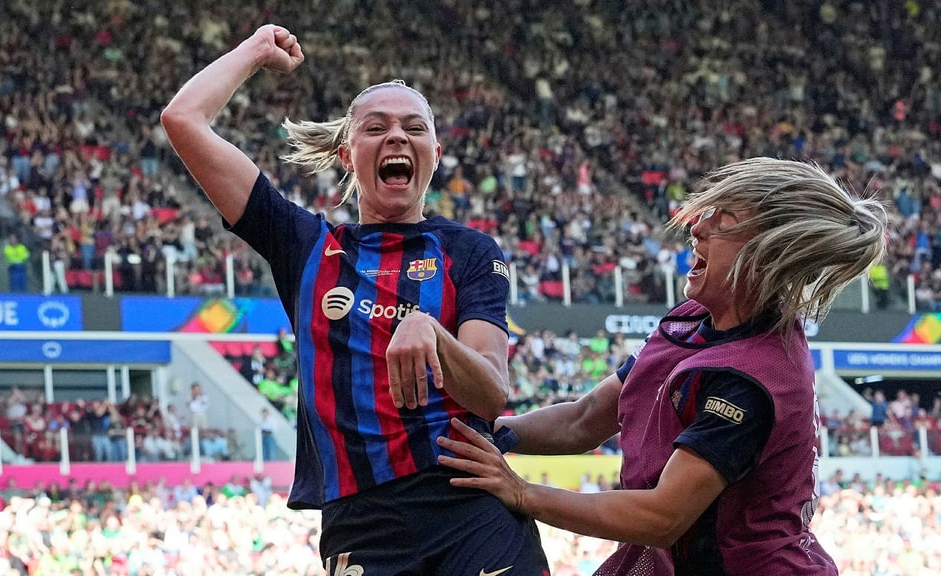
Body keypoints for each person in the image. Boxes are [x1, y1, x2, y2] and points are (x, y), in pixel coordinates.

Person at [161, 24, 548, 575]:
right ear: (347, 153)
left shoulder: (468, 251)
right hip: (363, 524)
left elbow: (490, 394)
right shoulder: (305, 247)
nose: (398, 137)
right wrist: (253, 50)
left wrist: (432, 333)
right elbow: (183, 119)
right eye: (377, 127)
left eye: (415, 127)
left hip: (470, 505)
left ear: (435, 153)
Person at [438, 157, 888, 575]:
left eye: (721, 221)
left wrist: (522, 492)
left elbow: (661, 517)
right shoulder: (692, 319)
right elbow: (583, 419)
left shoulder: (754, 377)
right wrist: (483, 433)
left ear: (766, 255)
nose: (697, 227)